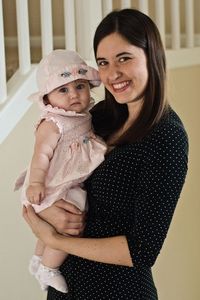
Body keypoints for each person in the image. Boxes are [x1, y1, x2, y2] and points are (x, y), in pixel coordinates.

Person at [23, 8, 189, 300]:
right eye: (103, 62)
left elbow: (141, 251)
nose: (113, 74)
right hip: (65, 289)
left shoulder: (167, 138)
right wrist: (46, 210)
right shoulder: (97, 117)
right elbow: (47, 170)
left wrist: (54, 238)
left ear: (153, 57)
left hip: (118, 292)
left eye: (124, 58)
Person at [15, 49, 107, 293]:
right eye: (63, 89)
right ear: (47, 98)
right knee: (73, 220)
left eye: (80, 86)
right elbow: (40, 156)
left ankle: (37, 260)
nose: (74, 95)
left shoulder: (82, 115)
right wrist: (35, 183)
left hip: (69, 180)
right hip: (54, 183)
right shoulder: (52, 123)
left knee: (57, 225)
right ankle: (48, 267)